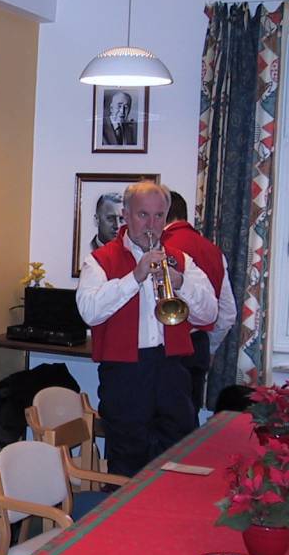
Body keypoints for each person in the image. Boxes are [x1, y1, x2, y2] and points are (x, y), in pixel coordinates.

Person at [75, 181, 217, 477]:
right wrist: (135, 277)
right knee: (126, 463)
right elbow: (89, 312)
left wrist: (181, 283)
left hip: (172, 371)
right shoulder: (99, 261)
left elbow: (209, 312)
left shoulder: (181, 260)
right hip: (125, 375)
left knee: (175, 461)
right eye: (143, 215)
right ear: (125, 215)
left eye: (159, 216)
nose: (151, 224)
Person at [161, 191, 237, 412]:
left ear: (162, 214)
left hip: (166, 347)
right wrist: (210, 346)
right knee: (188, 420)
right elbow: (227, 313)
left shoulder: (160, 249)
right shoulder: (213, 251)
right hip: (198, 346)